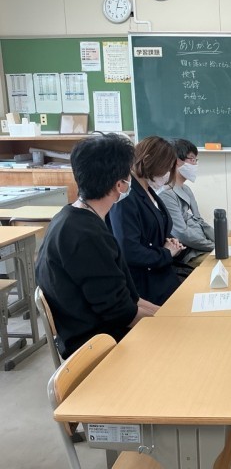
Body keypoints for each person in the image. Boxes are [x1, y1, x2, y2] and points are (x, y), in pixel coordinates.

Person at [35, 134, 160, 359]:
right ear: (120, 185)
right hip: (98, 346)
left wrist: (167, 315)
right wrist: (171, 323)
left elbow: (129, 300)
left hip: (99, 332)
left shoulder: (70, 217)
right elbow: (122, 314)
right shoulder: (86, 236)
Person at [108, 136, 183, 306]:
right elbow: (129, 250)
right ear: (148, 161)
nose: (167, 174)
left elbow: (156, 228)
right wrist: (166, 253)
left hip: (163, 276)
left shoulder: (148, 190)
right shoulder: (126, 196)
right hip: (145, 285)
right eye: (165, 168)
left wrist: (171, 242)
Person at [159, 139, 215, 268]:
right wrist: (213, 246)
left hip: (202, 245)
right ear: (177, 161)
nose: (195, 165)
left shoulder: (186, 189)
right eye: (192, 160)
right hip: (190, 253)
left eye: (196, 160)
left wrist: (221, 242)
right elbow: (181, 233)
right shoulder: (166, 194)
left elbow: (200, 221)